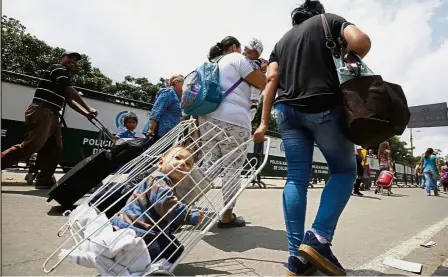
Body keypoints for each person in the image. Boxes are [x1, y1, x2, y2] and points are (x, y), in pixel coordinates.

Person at [253, 0, 371, 275]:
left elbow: (271, 80)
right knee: (343, 171)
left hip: (286, 113)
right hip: (323, 107)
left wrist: (261, 121)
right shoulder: (328, 21)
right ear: (318, 12)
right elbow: (361, 42)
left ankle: (297, 257)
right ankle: (318, 238)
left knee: (296, 178)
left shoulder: (280, 43)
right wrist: (349, 57)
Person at [1, 52, 98, 189]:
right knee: (32, 145)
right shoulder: (58, 69)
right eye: (70, 58)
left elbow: (69, 100)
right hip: (42, 110)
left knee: (55, 148)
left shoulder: (65, 78)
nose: (72, 61)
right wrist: (88, 107)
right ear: (62, 58)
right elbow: (69, 91)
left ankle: (44, 180)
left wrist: (86, 113)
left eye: (75, 60)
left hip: (53, 114)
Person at [198, 36, 267, 228]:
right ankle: (227, 215)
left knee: (209, 164)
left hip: (207, 117)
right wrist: (263, 71)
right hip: (234, 120)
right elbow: (262, 83)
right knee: (232, 168)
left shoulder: (214, 62)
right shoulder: (237, 59)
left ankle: (179, 206)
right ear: (235, 47)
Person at [111, 146, 205, 265]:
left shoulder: (164, 182)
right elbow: (166, 204)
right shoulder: (159, 181)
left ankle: (133, 260)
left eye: (188, 164)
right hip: (136, 232)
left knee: (172, 245)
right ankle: (134, 263)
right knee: (173, 250)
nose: (182, 164)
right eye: (177, 158)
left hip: (137, 230)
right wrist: (189, 215)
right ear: (161, 162)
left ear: (187, 175)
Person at [143, 75, 184, 139]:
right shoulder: (169, 92)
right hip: (158, 131)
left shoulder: (176, 96)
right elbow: (157, 109)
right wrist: (151, 128)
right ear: (176, 82)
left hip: (166, 133)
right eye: (183, 83)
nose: (184, 87)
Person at [242, 38, 268, 120]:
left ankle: (254, 103)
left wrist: (264, 68)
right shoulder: (242, 59)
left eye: (250, 50)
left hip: (255, 80)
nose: (246, 50)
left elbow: (265, 66)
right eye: (246, 48)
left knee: (255, 88)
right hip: (246, 80)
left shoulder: (259, 61)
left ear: (257, 54)